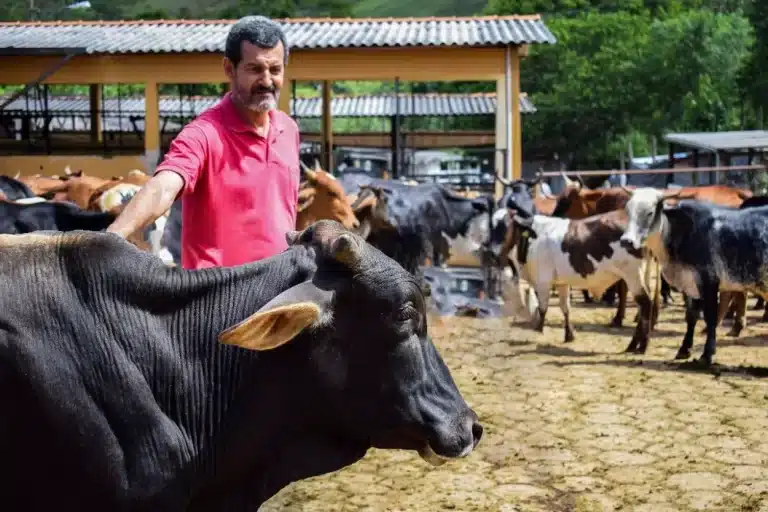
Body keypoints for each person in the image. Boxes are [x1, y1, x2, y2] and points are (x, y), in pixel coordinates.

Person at [106, 15, 301, 270]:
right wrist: (111, 238)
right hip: (217, 296)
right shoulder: (204, 134)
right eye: (254, 69)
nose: (267, 81)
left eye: (275, 70)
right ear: (229, 69)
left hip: (278, 287)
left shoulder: (289, 130)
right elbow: (163, 187)